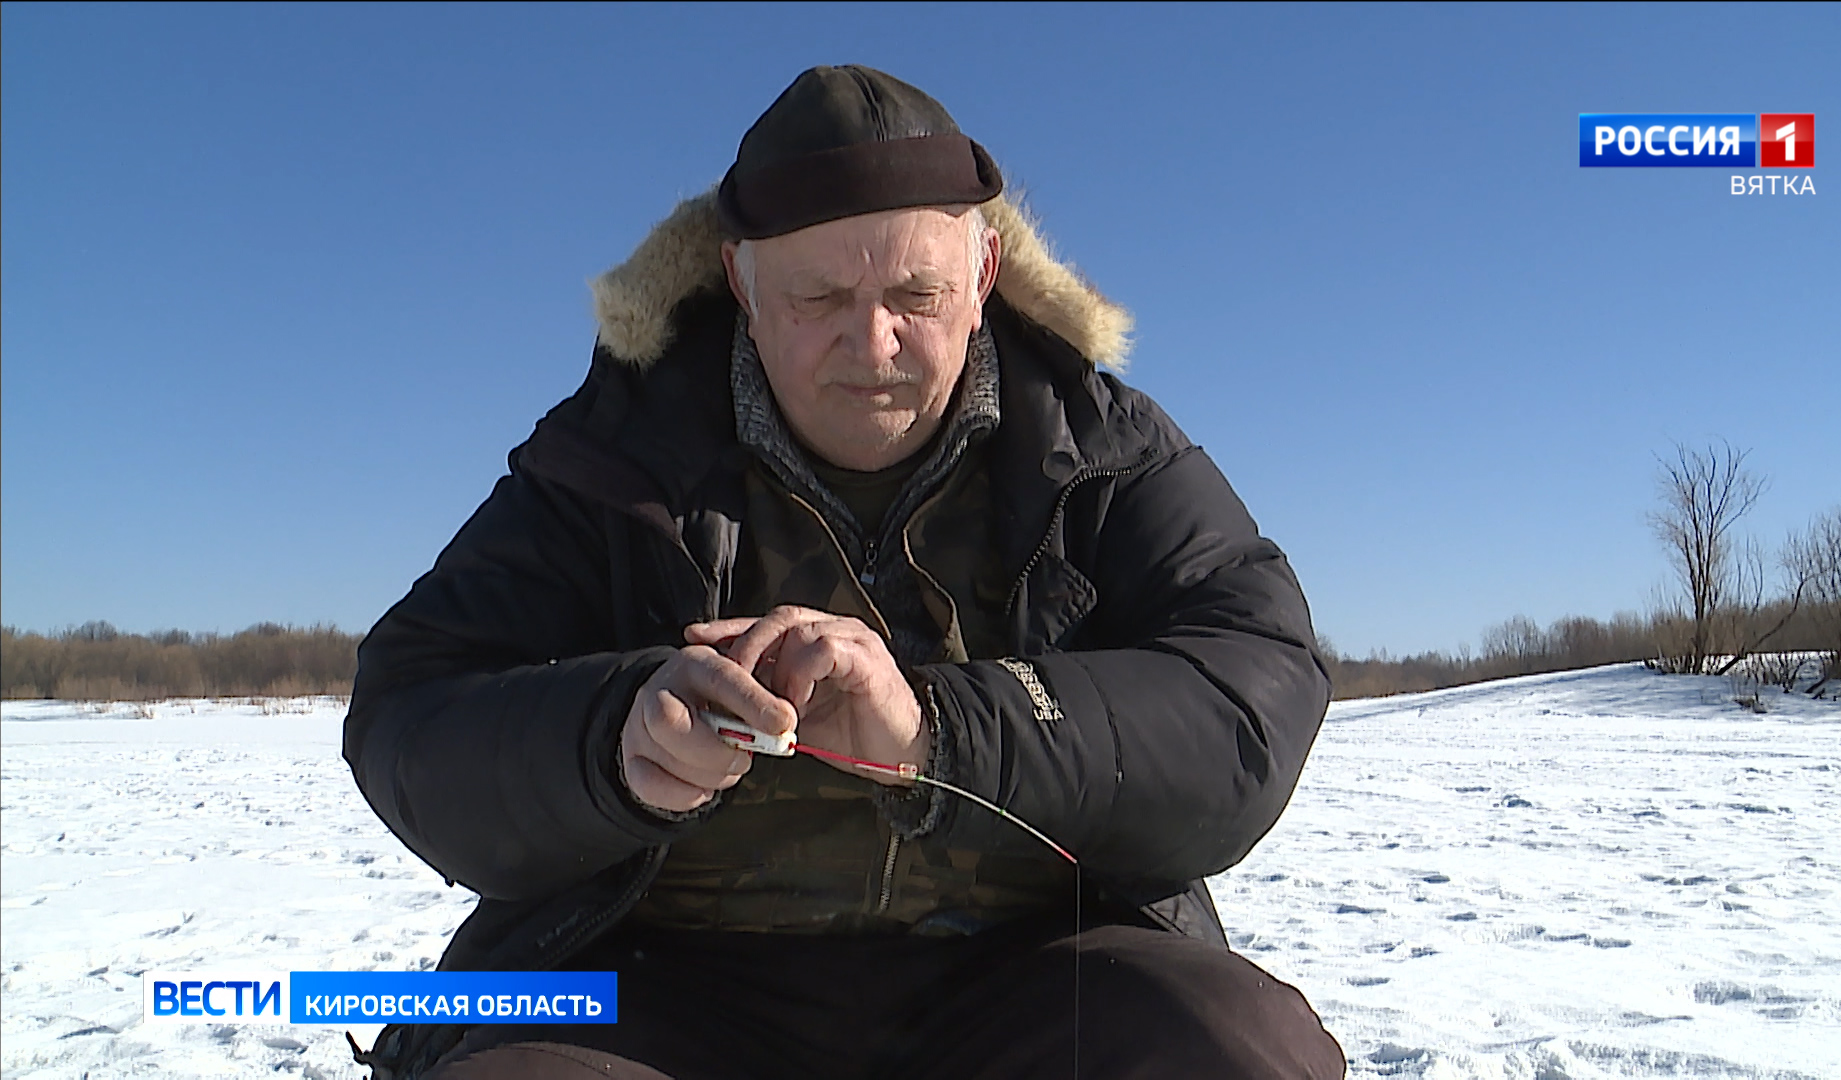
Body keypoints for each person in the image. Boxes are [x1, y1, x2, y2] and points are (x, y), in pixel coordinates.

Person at [345, 64, 1343, 1080]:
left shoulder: (1104, 450)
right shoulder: (609, 456)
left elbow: (1251, 689)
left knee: (1230, 1052)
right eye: (819, 296)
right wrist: (612, 738)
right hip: (656, 978)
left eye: (918, 295)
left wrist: (939, 732)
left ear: (984, 275)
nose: (873, 344)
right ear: (742, 286)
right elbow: (408, 707)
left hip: (1039, 964)